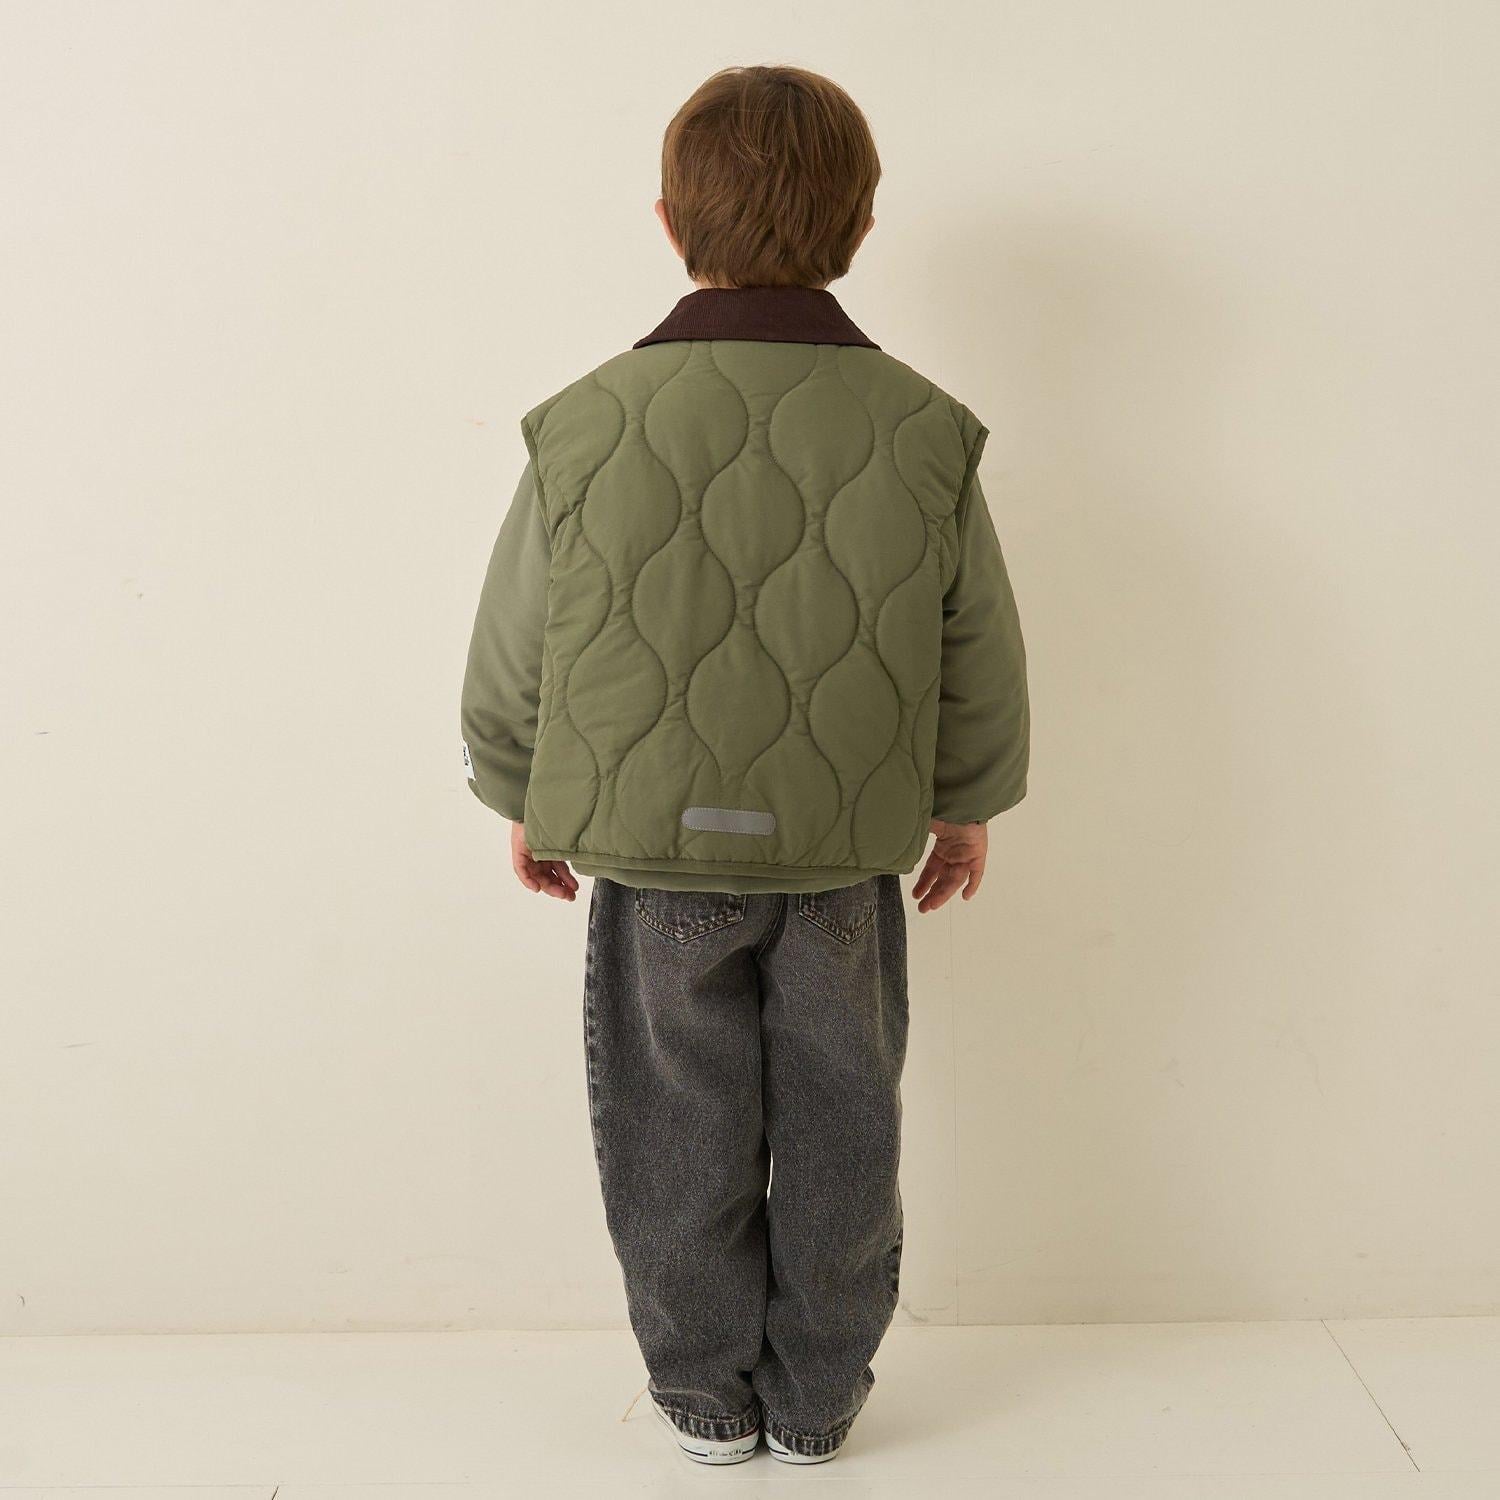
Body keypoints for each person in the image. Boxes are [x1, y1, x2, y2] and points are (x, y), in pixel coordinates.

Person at [460, 63, 1029, 1466]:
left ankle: (705, 1399)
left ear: (668, 224)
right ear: (862, 224)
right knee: (843, 1125)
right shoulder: (925, 427)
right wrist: (964, 803)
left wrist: (519, 786)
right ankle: (819, 1400)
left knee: (672, 1129)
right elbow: (977, 639)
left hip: (653, 861)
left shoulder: (583, 421)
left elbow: (521, 632)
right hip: (842, 858)